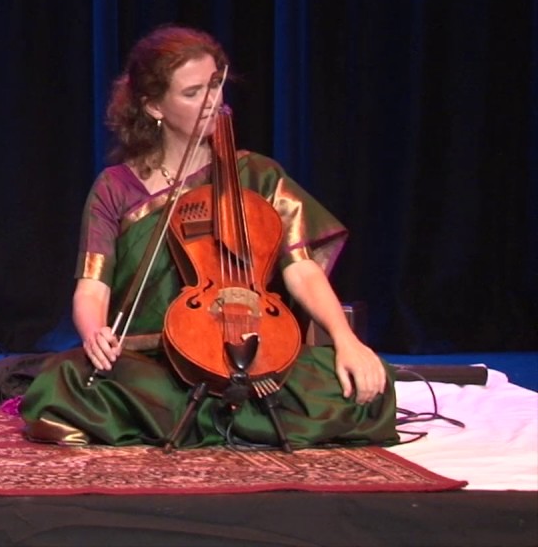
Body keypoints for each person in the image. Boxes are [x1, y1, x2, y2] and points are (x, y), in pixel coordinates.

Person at [20, 25, 397, 449]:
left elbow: (303, 270)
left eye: (216, 86)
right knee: (63, 382)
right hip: (154, 361)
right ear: (153, 106)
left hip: (252, 356)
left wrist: (347, 341)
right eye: (192, 92)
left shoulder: (258, 175)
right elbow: (92, 286)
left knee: (365, 382)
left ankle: (189, 421)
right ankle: (242, 421)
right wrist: (93, 333)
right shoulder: (116, 187)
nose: (212, 102)